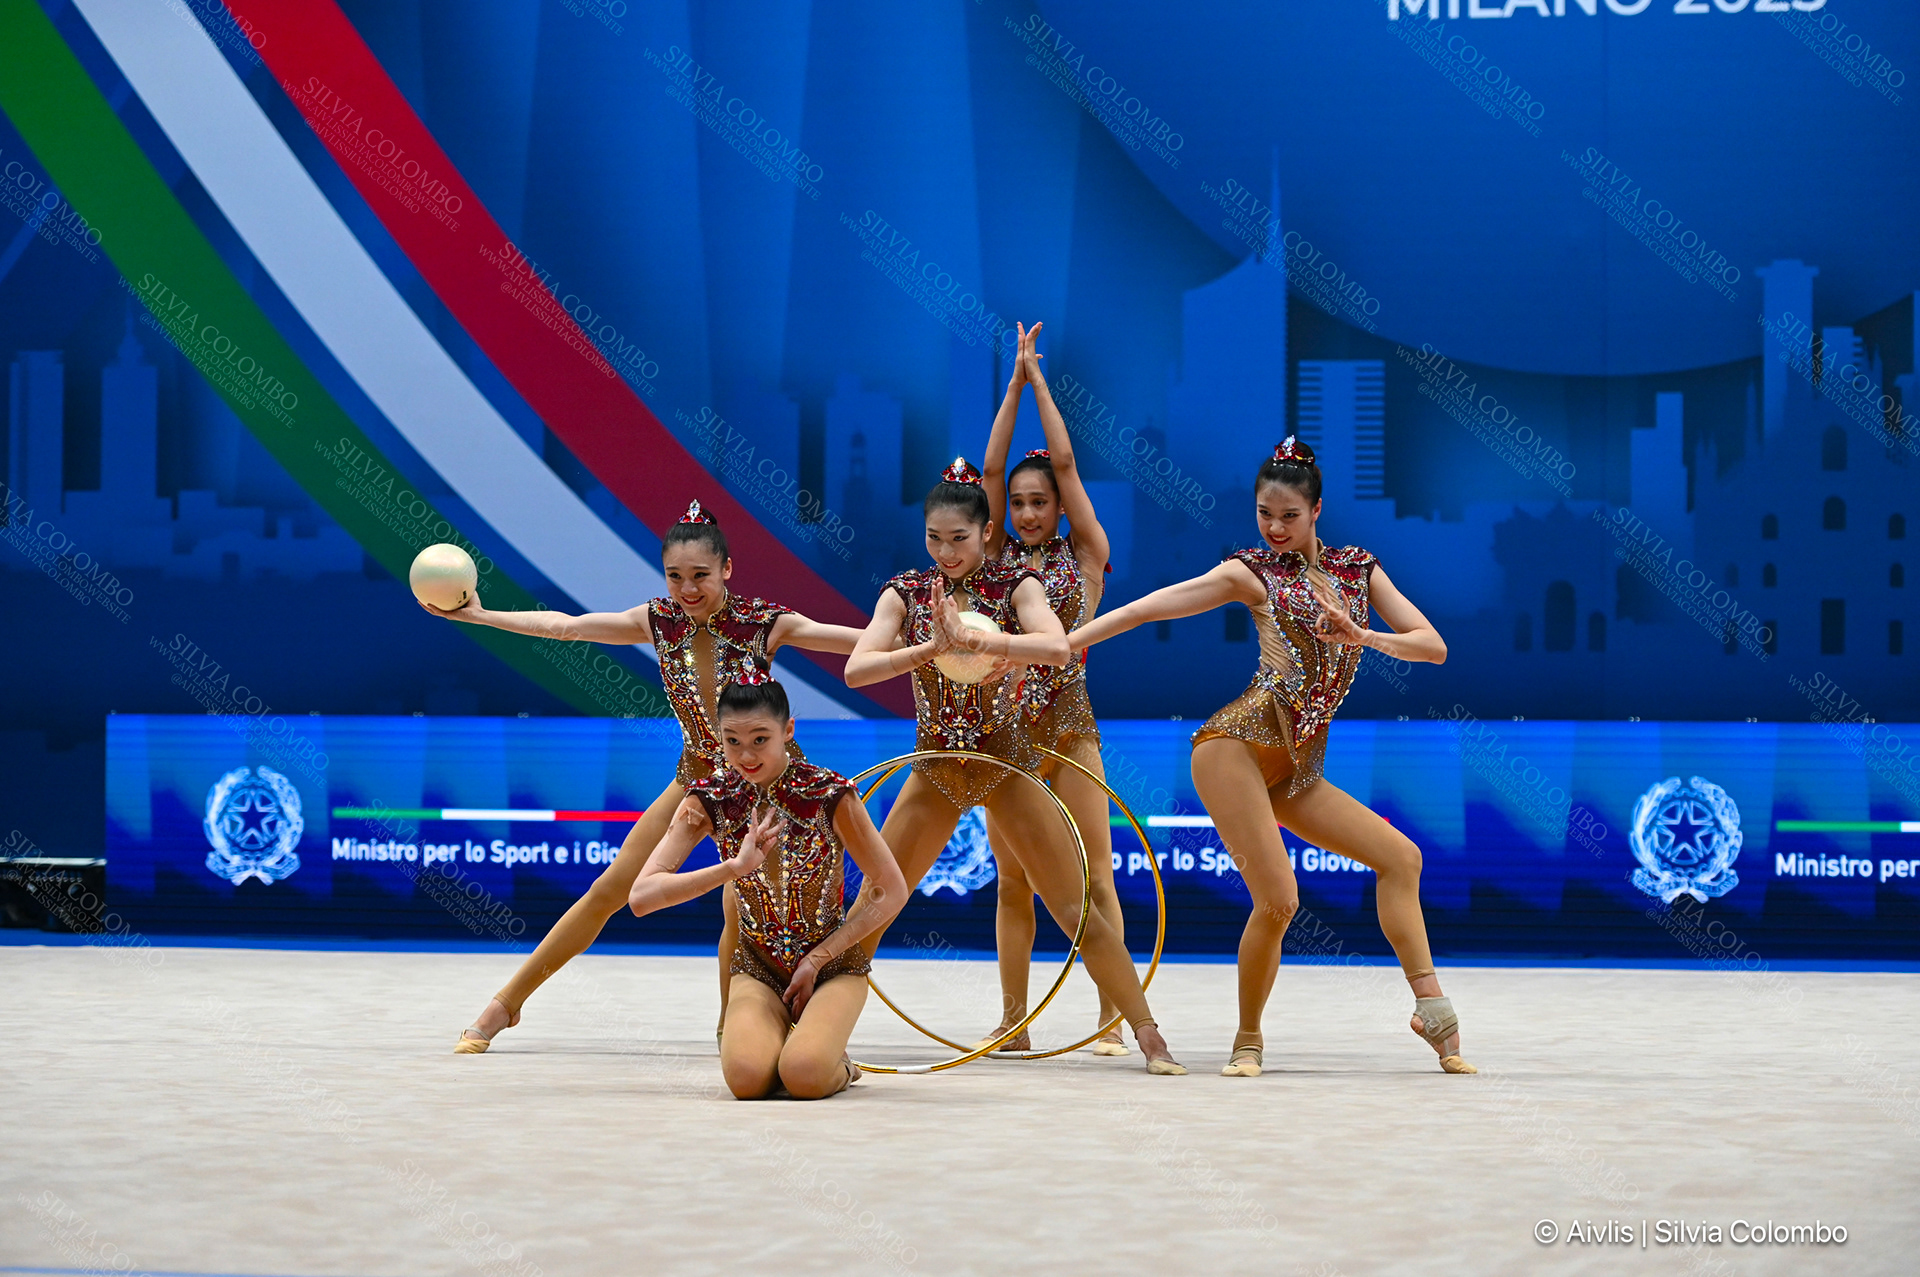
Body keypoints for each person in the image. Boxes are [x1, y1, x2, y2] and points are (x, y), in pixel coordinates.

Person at [1069, 438, 1475, 1076]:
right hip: (1234, 748)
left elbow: (1433, 647)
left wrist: (1362, 634)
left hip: (1298, 768)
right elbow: (1150, 607)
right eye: (1264, 514)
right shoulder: (1251, 573)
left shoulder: (1358, 570)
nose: (1275, 528)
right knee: (1279, 899)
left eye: (1289, 515)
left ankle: (1431, 1007)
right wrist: (1066, 644)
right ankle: (1248, 1040)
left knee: (1403, 859)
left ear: (1317, 510)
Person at [421, 500, 866, 1053]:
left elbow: (858, 641)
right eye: (675, 576)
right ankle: (505, 1005)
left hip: (764, 785)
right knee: (609, 890)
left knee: (741, 907)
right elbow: (566, 628)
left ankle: (736, 1032)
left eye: (700, 575)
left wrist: (936, 642)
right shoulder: (658, 621)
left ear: (727, 568)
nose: (688, 588)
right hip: (697, 779)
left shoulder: (764, 623)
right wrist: (481, 617)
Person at [843, 458, 1185, 1074]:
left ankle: (1149, 1035)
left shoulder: (1016, 584)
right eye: (934, 538)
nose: (947, 552)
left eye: (959, 538)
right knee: (876, 898)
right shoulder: (905, 592)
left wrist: (989, 642)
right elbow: (856, 669)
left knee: (1075, 907)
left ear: (985, 532)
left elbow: (1056, 647)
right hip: (937, 765)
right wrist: (929, 648)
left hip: (1005, 759)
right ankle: (820, 1025)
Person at [627, 673, 907, 1098]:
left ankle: (837, 1065)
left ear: (788, 730)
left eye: (760, 739)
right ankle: (786, 1048)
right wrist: (733, 868)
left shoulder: (829, 794)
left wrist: (818, 959)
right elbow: (641, 897)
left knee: (805, 1076)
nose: (746, 755)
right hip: (758, 967)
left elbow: (892, 889)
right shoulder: (709, 800)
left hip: (831, 967)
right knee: (746, 1081)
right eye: (732, 740)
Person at [975, 321, 1128, 1055]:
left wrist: (1039, 381)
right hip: (1007, 735)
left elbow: (1063, 460)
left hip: (1069, 727)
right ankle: (1015, 1021)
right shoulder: (997, 559)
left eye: (1040, 501)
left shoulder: (1087, 555)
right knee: (1014, 882)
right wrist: (1010, 386)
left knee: (1095, 874)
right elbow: (987, 470)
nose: (1029, 512)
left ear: (1061, 506)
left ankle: (1112, 1016)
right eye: (1019, 502)